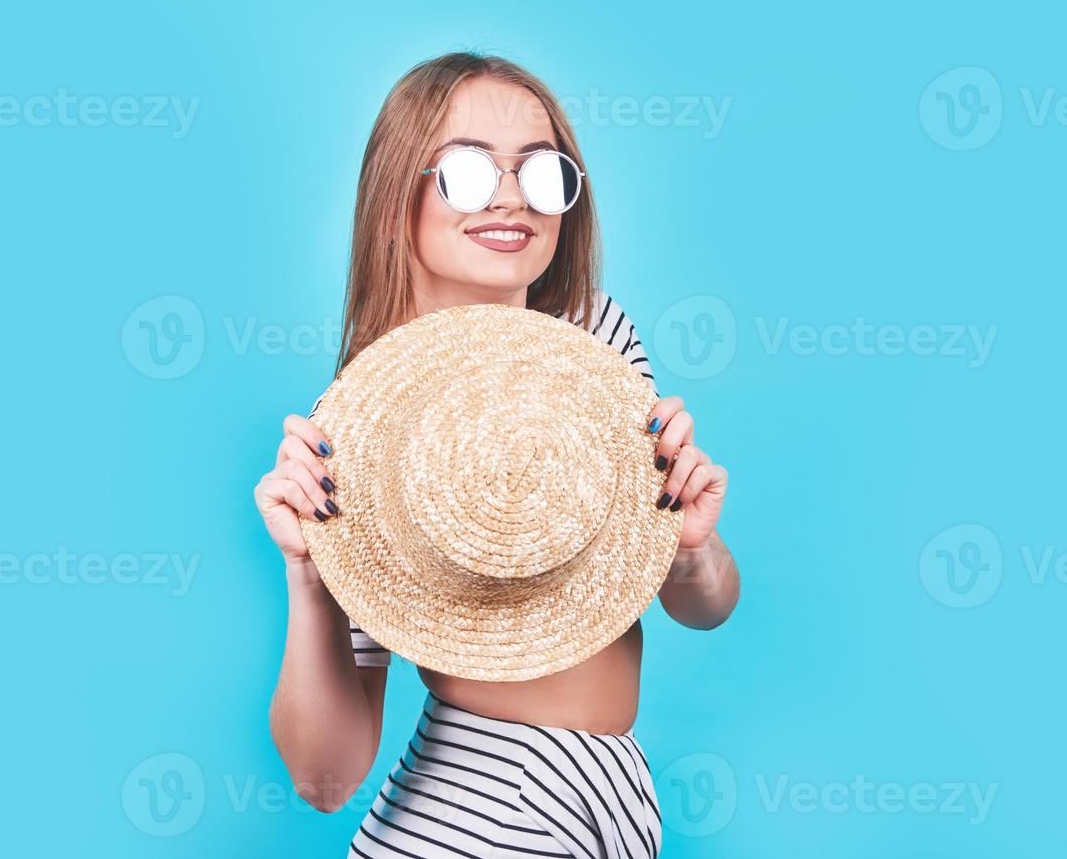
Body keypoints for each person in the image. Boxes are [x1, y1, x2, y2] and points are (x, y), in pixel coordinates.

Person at [254, 51, 740, 858]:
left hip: (611, 801)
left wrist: (692, 548)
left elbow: (703, 606)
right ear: (393, 195)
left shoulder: (595, 337)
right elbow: (326, 781)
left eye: (540, 171)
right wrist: (310, 578)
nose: (512, 196)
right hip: (477, 817)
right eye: (470, 172)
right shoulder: (357, 433)